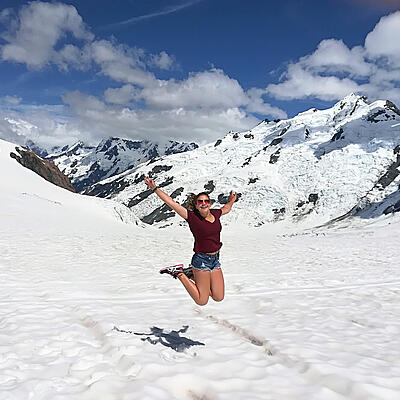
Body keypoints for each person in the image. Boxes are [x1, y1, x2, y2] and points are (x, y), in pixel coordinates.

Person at [144, 177, 237, 306]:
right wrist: (154, 188)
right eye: (200, 201)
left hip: (215, 260)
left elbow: (226, 208)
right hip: (201, 261)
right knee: (201, 300)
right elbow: (171, 202)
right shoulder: (192, 217)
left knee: (218, 297)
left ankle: (191, 274)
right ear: (197, 205)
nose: (203, 203)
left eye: (206, 201)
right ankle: (179, 273)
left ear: (209, 203)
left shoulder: (216, 213)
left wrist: (232, 200)